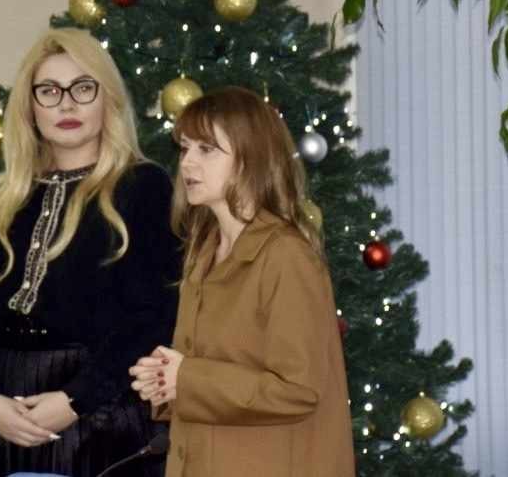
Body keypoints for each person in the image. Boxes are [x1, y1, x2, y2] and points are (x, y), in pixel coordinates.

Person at [0, 28, 180, 477]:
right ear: (30, 107)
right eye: (50, 91)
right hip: (6, 416)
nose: (66, 105)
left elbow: (152, 314)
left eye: (83, 88)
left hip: (103, 415)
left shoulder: (143, 187)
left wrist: (77, 400)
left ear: (107, 100)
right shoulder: (1, 202)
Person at [128, 86, 355, 477]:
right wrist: (166, 383)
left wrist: (187, 378)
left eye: (206, 149)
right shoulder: (203, 253)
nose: (187, 163)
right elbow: (209, 375)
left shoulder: (286, 256)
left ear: (251, 158)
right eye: (185, 148)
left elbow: (298, 389)